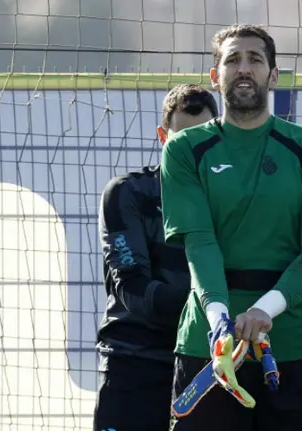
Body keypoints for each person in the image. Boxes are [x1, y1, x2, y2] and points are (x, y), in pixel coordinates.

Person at [160, 24, 302, 431]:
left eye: (255, 59)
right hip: (210, 346)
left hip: (291, 343)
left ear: (273, 75)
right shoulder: (184, 149)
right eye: (233, 60)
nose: (244, 68)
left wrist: (264, 311)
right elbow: (200, 243)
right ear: (215, 77)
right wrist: (220, 320)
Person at [93, 84, 218, 431]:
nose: (193, 151)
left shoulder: (230, 201)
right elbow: (133, 288)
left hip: (204, 368)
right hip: (133, 364)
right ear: (163, 137)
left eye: (203, 139)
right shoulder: (127, 192)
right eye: (182, 139)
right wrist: (216, 311)